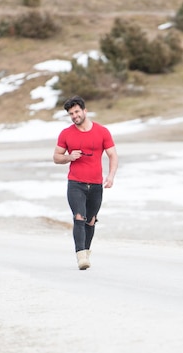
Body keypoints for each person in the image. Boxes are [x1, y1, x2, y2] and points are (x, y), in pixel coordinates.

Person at [53, 96, 118, 270]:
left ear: (84, 111)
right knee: (79, 217)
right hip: (76, 184)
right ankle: (80, 255)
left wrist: (110, 176)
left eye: (76, 112)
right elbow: (56, 157)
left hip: (96, 185)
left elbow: (113, 155)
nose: (74, 116)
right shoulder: (66, 134)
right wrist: (69, 157)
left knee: (91, 220)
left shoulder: (102, 131)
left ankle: (86, 252)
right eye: (71, 114)